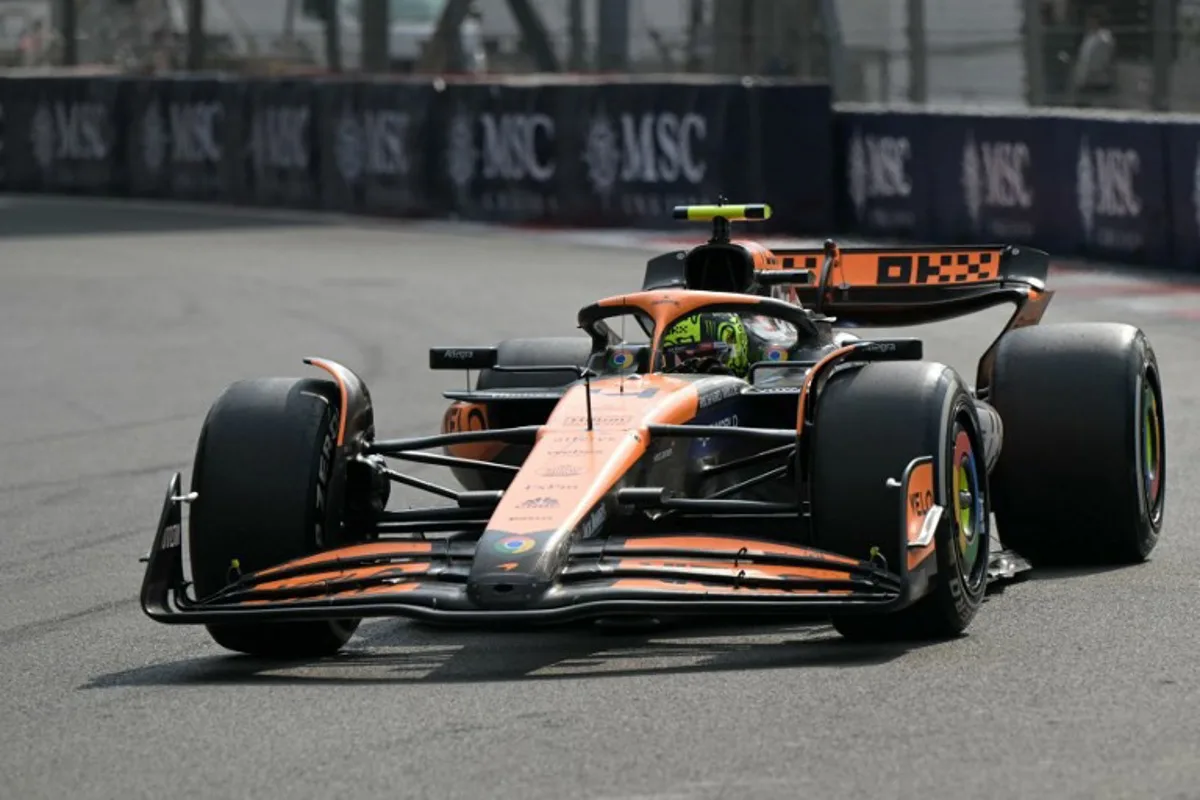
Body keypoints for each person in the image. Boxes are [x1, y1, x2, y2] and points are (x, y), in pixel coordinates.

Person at [1070, 6, 1117, 107]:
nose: (1088, 22)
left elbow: (1102, 60)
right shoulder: (1089, 37)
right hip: (1085, 81)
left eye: (1090, 20)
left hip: (1096, 81)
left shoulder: (1104, 38)